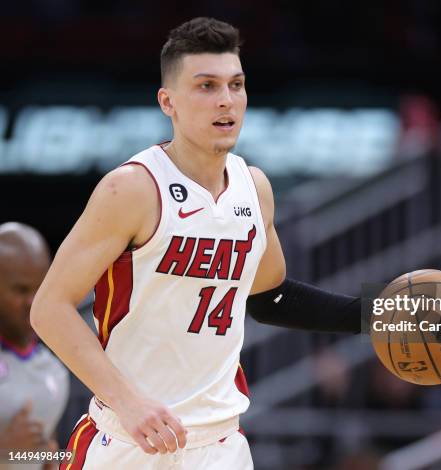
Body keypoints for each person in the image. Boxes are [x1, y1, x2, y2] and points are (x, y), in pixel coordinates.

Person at [30, 17, 363, 470]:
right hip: (130, 441)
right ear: (168, 101)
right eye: (206, 86)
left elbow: (271, 298)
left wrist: (376, 317)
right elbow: (49, 308)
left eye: (236, 85)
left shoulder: (255, 188)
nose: (226, 100)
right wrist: (127, 402)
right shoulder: (133, 188)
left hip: (221, 446)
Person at [0, 222, 69, 470]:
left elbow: (39, 456)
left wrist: (51, 460)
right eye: (20, 290)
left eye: (40, 288)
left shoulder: (54, 369)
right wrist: (5, 452)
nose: (32, 302)